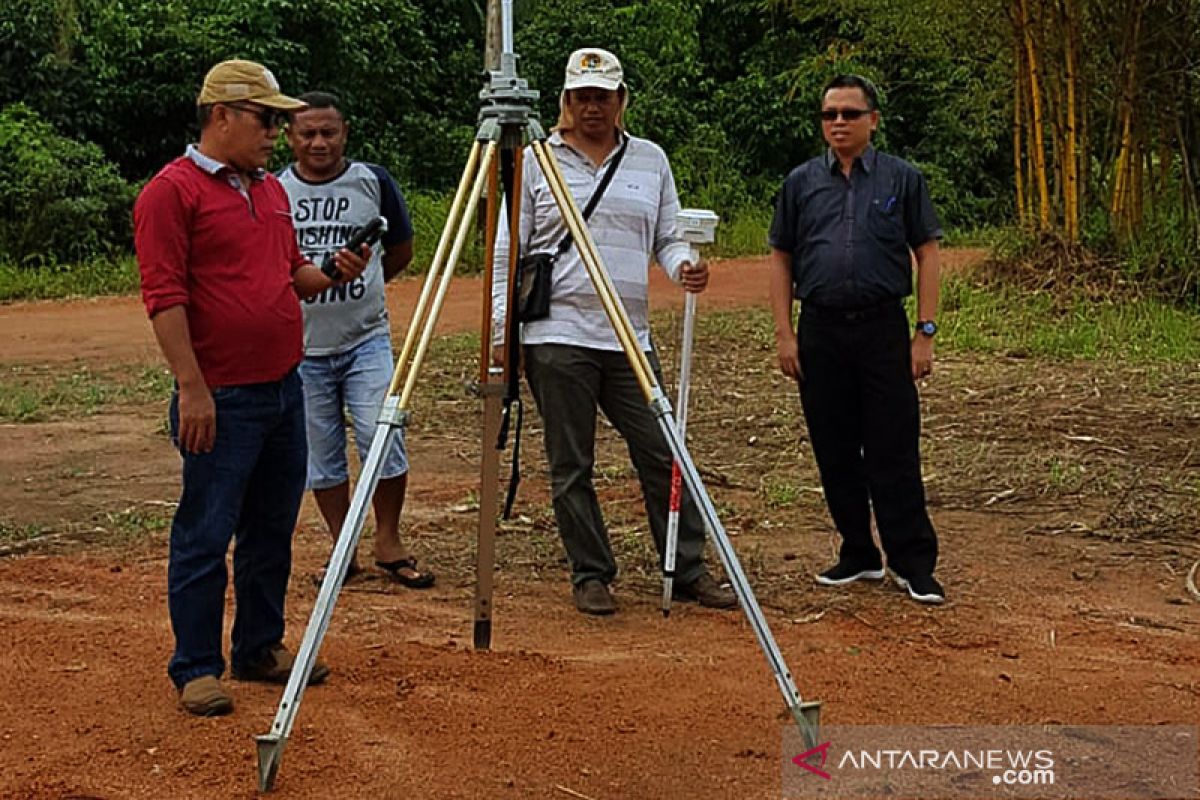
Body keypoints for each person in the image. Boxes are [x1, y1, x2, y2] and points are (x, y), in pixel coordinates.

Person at [134, 60, 369, 716]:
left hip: (281, 389)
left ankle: (259, 647)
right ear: (221, 117)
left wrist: (335, 270)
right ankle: (197, 667)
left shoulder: (266, 190)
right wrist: (192, 388)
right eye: (267, 119)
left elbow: (292, 275)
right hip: (223, 395)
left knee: (271, 527)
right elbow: (164, 296)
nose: (278, 131)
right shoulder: (171, 193)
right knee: (206, 530)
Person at [492, 47, 736, 616]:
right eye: (582, 97)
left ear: (622, 100)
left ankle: (688, 564)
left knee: (662, 450)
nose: (593, 107)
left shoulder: (650, 160)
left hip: (629, 336)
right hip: (557, 333)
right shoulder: (537, 160)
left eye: (603, 96)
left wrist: (684, 267)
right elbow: (510, 248)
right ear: (565, 102)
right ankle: (591, 572)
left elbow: (668, 236)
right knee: (570, 462)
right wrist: (505, 334)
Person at [768, 74, 945, 605]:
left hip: (883, 329)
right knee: (835, 446)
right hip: (821, 330)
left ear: (873, 120)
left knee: (893, 445)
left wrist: (925, 333)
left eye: (849, 113)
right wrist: (784, 333)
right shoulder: (800, 183)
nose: (838, 123)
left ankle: (912, 562)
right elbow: (781, 256)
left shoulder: (902, 179)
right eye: (830, 115)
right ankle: (856, 552)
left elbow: (928, 253)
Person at [278, 92, 434, 590]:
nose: (319, 142)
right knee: (320, 454)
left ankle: (388, 541)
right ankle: (341, 545)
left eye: (329, 132)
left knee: (382, 436)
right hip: (302, 349)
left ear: (345, 132)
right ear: (290, 137)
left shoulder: (373, 181)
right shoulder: (274, 190)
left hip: (366, 339)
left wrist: (363, 288)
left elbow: (401, 248)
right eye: (308, 133)